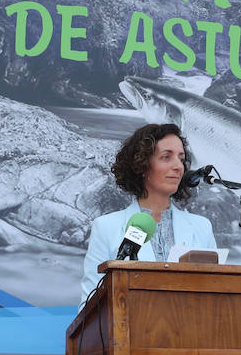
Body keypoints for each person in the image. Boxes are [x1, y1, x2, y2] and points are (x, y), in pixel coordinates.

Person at [80, 123, 216, 303]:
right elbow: (89, 306)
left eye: (181, 158)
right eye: (166, 157)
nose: (178, 166)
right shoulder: (106, 227)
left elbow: (216, 295)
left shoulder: (202, 227)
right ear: (142, 165)